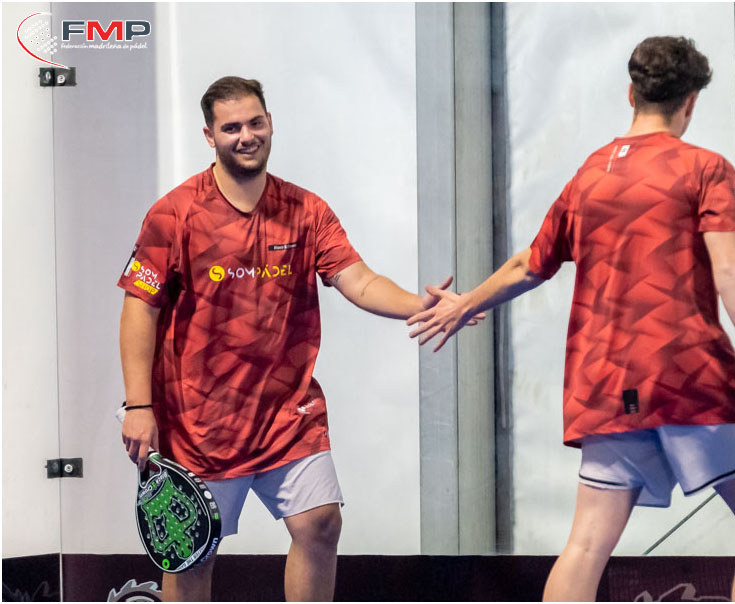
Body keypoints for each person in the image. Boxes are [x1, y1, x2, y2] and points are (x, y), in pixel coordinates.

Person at [408, 37, 735, 602]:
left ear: (631, 94)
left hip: (606, 388)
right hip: (690, 383)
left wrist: (465, 303)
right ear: (690, 102)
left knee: (586, 546)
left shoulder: (590, 174)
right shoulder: (704, 168)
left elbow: (529, 264)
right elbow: (731, 269)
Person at [118, 76, 476, 602]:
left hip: (288, 415)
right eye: (231, 128)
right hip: (200, 422)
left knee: (320, 524)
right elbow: (139, 308)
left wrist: (419, 305)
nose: (246, 136)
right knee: (193, 552)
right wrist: (139, 405)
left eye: (255, 123)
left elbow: (359, 280)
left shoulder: (306, 211)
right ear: (209, 135)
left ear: (270, 123)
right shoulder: (173, 215)